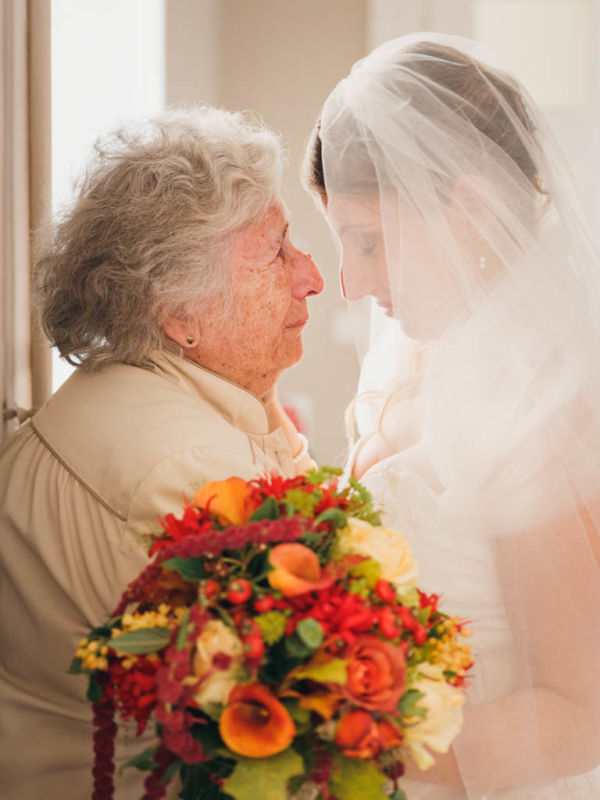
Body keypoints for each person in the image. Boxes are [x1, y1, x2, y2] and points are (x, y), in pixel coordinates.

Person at [304, 34, 600, 799]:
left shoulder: (540, 404)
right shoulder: (415, 357)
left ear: (470, 208)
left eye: (367, 241)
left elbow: (583, 710)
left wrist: (348, 755)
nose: (351, 282)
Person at [0, 107, 323, 800]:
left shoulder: (111, 393)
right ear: (181, 315)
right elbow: (289, 724)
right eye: (277, 252)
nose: (313, 276)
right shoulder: (189, 467)